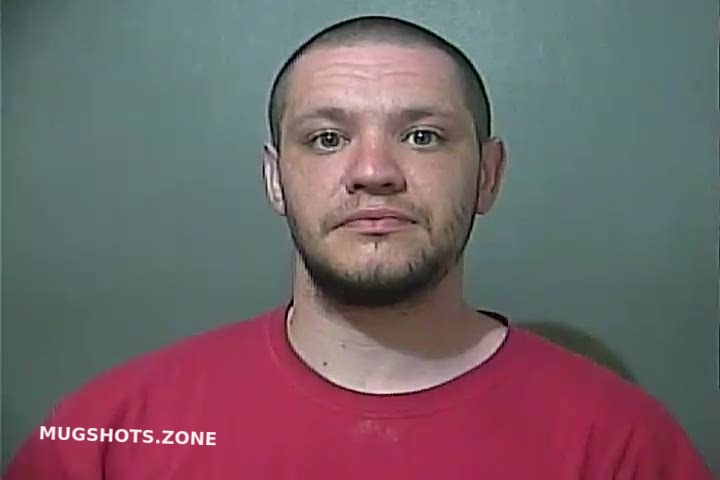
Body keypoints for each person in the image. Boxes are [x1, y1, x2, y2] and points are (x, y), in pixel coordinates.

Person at [5, 15, 713, 479]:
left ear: (488, 176)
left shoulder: (623, 445)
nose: (373, 171)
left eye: (423, 136)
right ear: (275, 179)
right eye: (327, 138)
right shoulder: (106, 437)